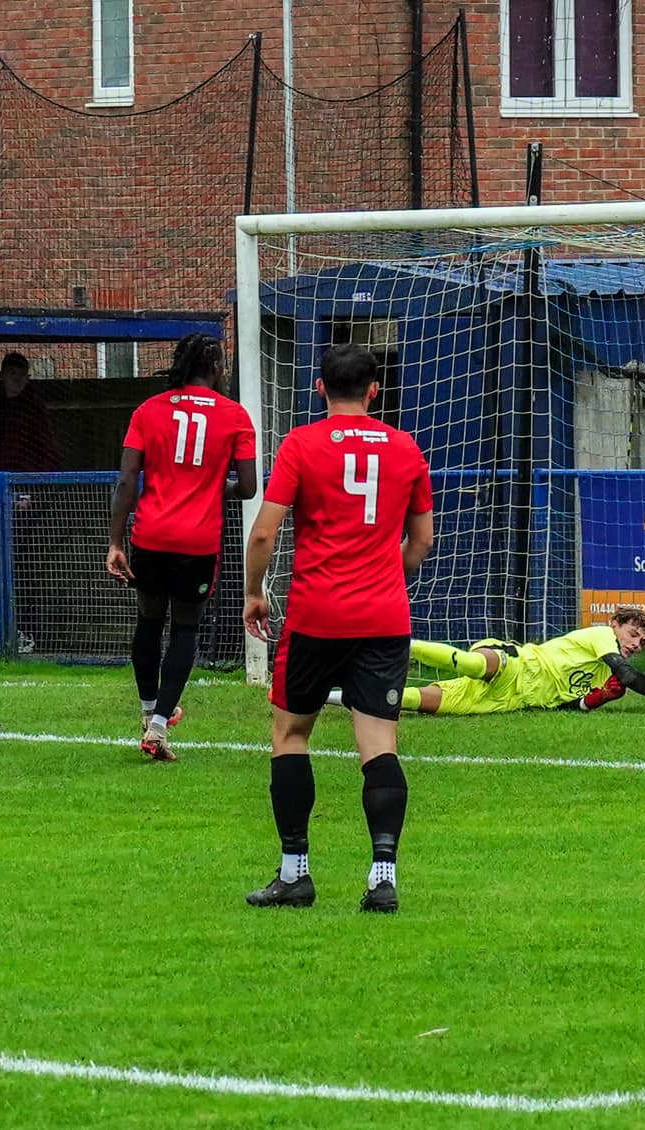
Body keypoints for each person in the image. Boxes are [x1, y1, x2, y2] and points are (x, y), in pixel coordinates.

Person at [241, 343, 434, 913]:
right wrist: (381, 580)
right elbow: (420, 542)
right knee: (379, 743)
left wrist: (255, 593)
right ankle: (382, 878)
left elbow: (262, 535)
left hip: (316, 615)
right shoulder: (405, 448)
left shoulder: (302, 443)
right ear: (375, 390)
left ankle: (295, 873)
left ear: (320, 389)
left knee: (291, 735)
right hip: (383, 619)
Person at [106, 334, 258, 760]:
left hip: (150, 536)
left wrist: (116, 541)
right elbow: (247, 487)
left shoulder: (148, 411)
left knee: (149, 620)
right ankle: (158, 727)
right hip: (197, 541)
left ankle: (148, 708)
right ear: (214, 366)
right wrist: (212, 487)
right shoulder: (235, 417)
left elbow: (126, 481)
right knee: (186, 628)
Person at [360, 609, 645, 716]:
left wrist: (592, 701)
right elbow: (628, 676)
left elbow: (564, 704)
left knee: (425, 703)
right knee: (470, 665)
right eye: (633, 633)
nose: (636, 643)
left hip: (514, 698)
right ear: (615, 625)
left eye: (642, 641)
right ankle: (397, 644)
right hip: (520, 662)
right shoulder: (601, 637)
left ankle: (345, 692)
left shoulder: (603, 673)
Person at [0, 352, 62, 472]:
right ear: (2, 376)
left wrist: (39, 478)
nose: (17, 379)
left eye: (22, 374)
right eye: (12, 373)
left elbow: (48, 446)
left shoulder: (34, 408)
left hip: (27, 476)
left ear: (27, 378)